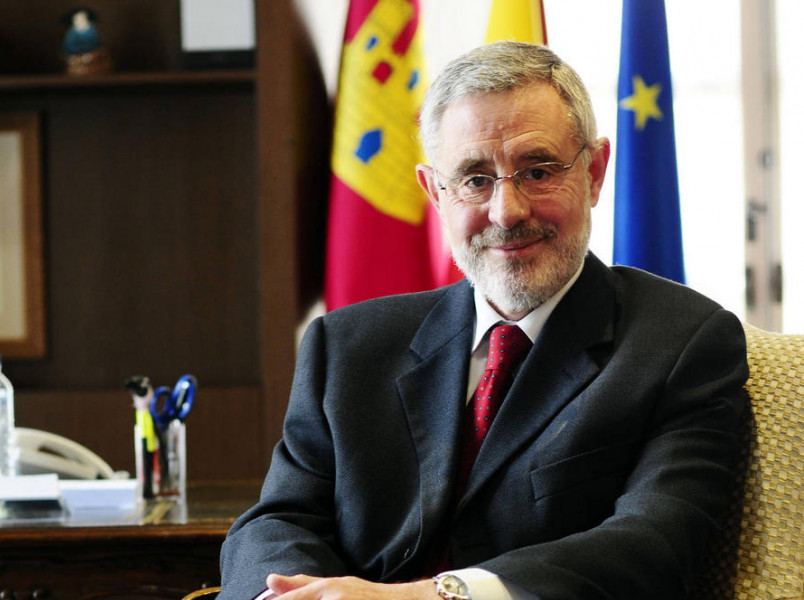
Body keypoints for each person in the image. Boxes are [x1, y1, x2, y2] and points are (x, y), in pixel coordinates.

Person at [217, 41, 748, 600]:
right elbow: (275, 522)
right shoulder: (346, 345)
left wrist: (431, 597)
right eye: (474, 179)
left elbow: (656, 545)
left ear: (594, 173)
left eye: (537, 171)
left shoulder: (684, 343)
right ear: (435, 192)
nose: (506, 211)